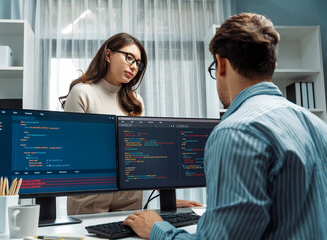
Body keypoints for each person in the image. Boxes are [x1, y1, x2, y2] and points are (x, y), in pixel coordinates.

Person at [123, 13, 327, 239]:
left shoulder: (236, 132)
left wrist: (156, 229)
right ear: (272, 66)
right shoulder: (318, 126)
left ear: (221, 64)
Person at [60, 32, 202, 215]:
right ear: (108, 55)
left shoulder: (135, 101)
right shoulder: (82, 93)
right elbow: (71, 152)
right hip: (90, 194)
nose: (134, 66)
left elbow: (143, 154)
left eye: (138, 63)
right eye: (129, 58)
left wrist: (167, 197)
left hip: (129, 194)